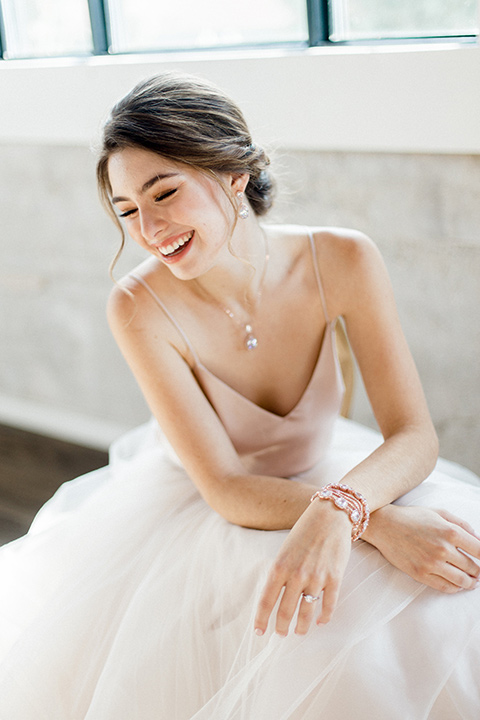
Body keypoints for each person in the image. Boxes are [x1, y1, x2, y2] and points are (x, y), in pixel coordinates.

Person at [0, 71, 479, 719]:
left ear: (233, 174)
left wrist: (343, 510)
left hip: (332, 476)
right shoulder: (137, 307)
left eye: (164, 192)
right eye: (128, 211)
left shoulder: (343, 259)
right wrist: (372, 519)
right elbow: (225, 485)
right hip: (216, 505)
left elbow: (414, 435)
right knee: (328, 629)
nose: (148, 227)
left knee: (443, 599)